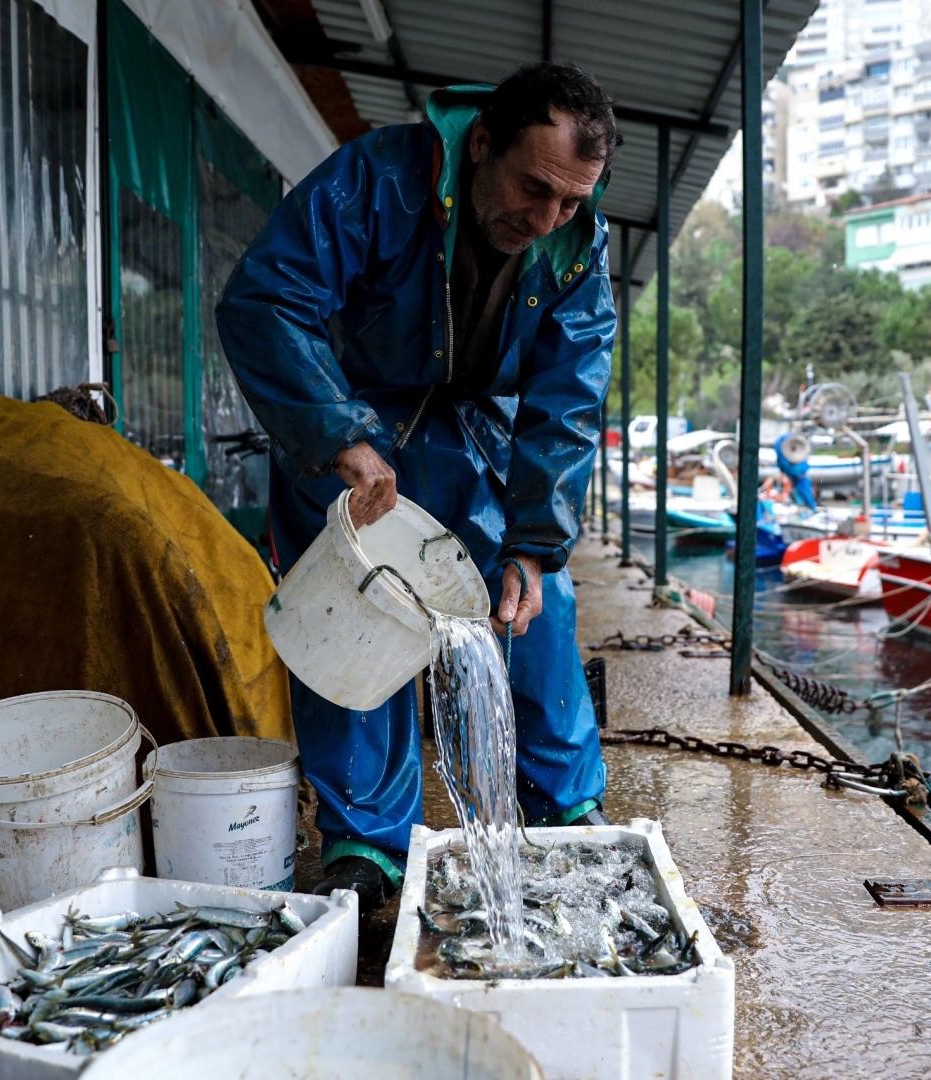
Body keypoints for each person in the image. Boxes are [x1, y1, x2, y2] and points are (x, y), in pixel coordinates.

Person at [216, 62, 619, 914]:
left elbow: (569, 400)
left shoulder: (579, 244)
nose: (544, 220)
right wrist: (338, 435)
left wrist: (536, 544)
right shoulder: (377, 177)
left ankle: (563, 806)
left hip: (477, 429)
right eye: (532, 188)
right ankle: (366, 839)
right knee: (355, 613)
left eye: (569, 202)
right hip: (348, 425)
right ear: (481, 145)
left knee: (533, 604)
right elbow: (265, 301)